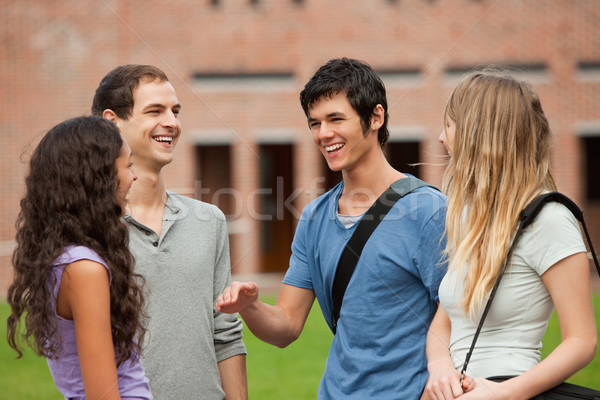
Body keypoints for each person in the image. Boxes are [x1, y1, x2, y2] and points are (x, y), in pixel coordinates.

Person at [216, 57, 448, 399]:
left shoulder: (427, 211)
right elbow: (286, 327)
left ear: (376, 117)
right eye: (315, 123)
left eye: (336, 119)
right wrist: (249, 305)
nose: (324, 134)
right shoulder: (313, 217)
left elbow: (464, 318)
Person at [423, 70, 597, 400]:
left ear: (478, 134)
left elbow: (582, 341)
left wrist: (499, 394)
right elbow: (443, 321)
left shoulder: (550, 219)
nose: (441, 138)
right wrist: (441, 367)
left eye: (449, 125)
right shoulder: (468, 216)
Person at [92, 64, 247, 400]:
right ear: (111, 122)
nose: (172, 123)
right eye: (155, 111)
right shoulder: (88, 231)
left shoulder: (210, 221)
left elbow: (226, 334)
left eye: (175, 111)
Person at [7, 116, 151, 400]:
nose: (134, 176)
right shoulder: (84, 269)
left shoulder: (64, 258)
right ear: (99, 178)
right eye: (128, 165)